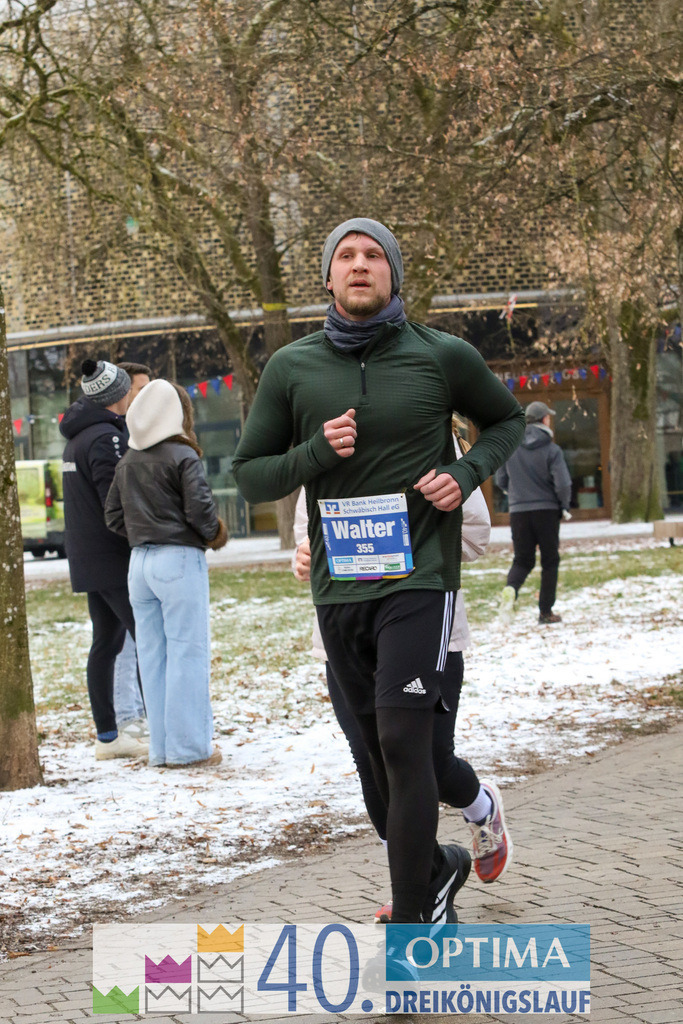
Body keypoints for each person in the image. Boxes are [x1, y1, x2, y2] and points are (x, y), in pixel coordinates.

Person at [233, 217, 525, 926]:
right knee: (372, 763)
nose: (359, 265)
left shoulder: (441, 355)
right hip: (338, 589)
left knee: (404, 741)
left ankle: (415, 917)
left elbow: (506, 421)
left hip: (419, 580)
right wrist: (313, 456)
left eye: (373, 256)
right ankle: (436, 871)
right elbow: (248, 475)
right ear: (327, 278)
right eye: (346, 256)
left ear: (392, 273)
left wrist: (465, 473)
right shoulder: (292, 368)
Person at [292, 426, 513, 922]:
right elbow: (304, 542)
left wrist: (398, 541)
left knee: (426, 762)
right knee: (374, 769)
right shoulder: (323, 443)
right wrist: (304, 555)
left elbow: (476, 535)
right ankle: (424, 880)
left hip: (423, 625)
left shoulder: (432, 436)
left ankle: (479, 809)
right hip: (343, 634)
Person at [105, 379, 228, 768]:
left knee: (153, 657)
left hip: (138, 564)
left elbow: (111, 517)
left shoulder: (126, 461)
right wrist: (213, 535)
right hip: (177, 560)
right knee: (187, 652)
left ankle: (160, 749)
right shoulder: (181, 455)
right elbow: (201, 513)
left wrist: (143, 533)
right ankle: (189, 749)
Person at [60, 359, 149, 761]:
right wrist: (140, 539)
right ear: (117, 395)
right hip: (112, 557)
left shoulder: (77, 436)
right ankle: (161, 726)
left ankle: (108, 736)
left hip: (87, 558)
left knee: (107, 642)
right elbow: (115, 499)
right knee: (147, 638)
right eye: (128, 390)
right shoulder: (104, 438)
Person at [495, 400, 572, 624]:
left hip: (518, 511)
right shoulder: (551, 449)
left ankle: (511, 588)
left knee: (522, 560)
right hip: (546, 511)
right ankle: (545, 612)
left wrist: (517, 494)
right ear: (544, 420)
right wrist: (564, 505)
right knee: (549, 561)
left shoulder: (511, 446)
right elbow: (563, 484)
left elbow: (501, 478)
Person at [110, 362, 154, 738]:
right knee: (126, 637)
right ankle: (128, 714)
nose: (143, 397)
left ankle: (136, 711)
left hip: (138, 552)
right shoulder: (118, 437)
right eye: (138, 390)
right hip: (123, 554)